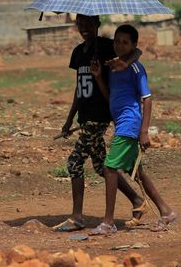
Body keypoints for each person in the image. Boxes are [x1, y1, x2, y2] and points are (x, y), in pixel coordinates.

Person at [53, 14, 145, 232]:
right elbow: (79, 88)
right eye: (80, 25)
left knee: (75, 162)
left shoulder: (106, 46)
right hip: (85, 116)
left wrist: (124, 64)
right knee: (101, 166)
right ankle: (136, 200)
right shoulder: (78, 53)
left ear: (97, 25)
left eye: (89, 24)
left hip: (100, 114)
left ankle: (77, 217)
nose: (84, 28)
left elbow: (137, 52)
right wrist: (69, 119)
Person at [88, 23, 176, 236]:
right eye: (117, 41)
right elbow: (111, 98)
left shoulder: (136, 68)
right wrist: (99, 77)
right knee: (136, 171)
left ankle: (108, 222)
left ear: (133, 45)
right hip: (121, 122)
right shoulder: (114, 68)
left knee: (109, 168)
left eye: (125, 42)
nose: (119, 46)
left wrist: (144, 131)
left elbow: (147, 99)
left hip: (130, 123)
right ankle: (166, 211)